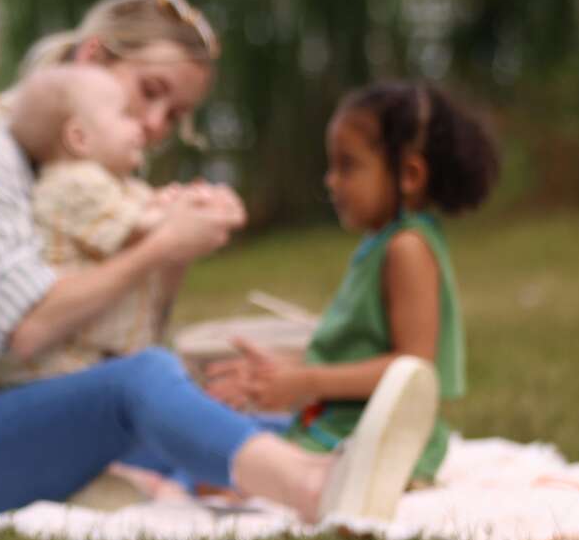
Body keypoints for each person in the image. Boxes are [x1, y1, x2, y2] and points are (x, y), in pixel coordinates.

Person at [0, 0, 441, 522]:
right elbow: (27, 329)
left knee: (199, 413)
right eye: (148, 92)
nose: (153, 123)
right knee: (146, 388)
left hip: (1, 420)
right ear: (93, 58)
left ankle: (351, 459)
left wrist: (168, 250)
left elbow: (122, 347)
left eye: (175, 113)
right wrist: (161, 244)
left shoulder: (85, 183)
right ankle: (313, 490)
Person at [210, 81, 500, 485]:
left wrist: (302, 382)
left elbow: (412, 370)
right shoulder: (379, 244)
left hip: (380, 440)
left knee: (227, 473)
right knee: (219, 452)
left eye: (347, 166)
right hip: (339, 423)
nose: (331, 181)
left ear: (410, 174)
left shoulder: (407, 249)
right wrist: (282, 373)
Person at [0, 65, 168, 388]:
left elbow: (140, 206)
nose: (140, 124)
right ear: (79, 138)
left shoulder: (105, 182)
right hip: (58, 363)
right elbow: (138, 228)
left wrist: (169, 203)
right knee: (152, 381)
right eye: (125, 115)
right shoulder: (76, 182)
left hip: (80, 352)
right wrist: (184, 216)